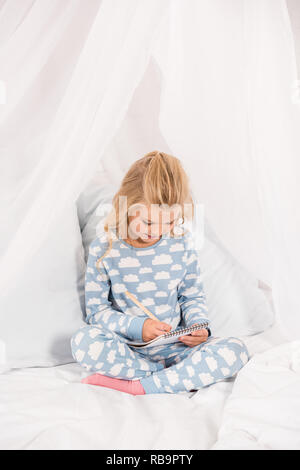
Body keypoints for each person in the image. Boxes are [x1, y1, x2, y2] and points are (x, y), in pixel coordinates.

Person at [71, 151, 249, 395]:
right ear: (128, 207)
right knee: (84, 342)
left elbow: (192, 297)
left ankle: (142, 386)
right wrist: (139, 327)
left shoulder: (181, 243)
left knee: (236, 350)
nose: (158, 231)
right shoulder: (106, 248)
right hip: (129, 349)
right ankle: (169, 378)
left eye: (169, 222)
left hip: (178, 348)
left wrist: (199, 326)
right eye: (149, 223)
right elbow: (97, 312)